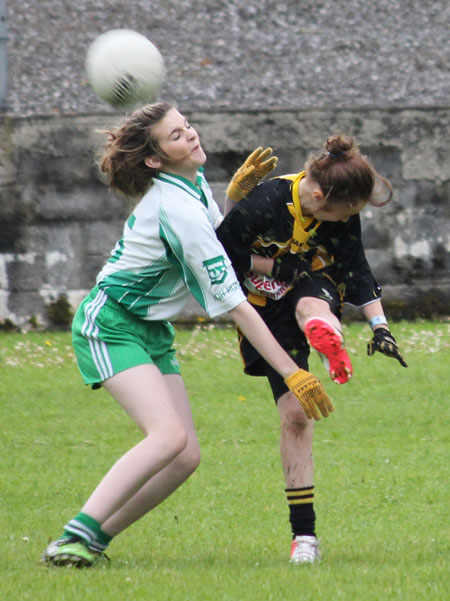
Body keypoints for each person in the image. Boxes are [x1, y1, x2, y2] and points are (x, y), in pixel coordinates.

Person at [41, 102, 334, 568]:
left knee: (184, 456)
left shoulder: (191, 183)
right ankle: (72, 535)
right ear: (155, 159)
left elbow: (220, 249)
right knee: (167, 436)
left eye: (188, 126)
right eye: (176, 136)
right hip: (111, 322)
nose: (192, 136)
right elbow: (235, 302)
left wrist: (235, 200)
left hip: (148, 328)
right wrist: (290, 372)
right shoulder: (176, 208)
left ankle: (93, 541)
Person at [216, 134, 407, 564]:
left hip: (308, 282)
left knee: (311, 299)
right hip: (262, 305)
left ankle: (325, 332)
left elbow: (354, 264)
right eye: (348, 211)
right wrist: (271, 263)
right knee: (296, 417)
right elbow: (218, 252)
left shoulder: (338, 209)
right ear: (320, 195)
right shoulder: (265, 202)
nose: (350, 218)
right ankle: (303, 537)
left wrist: (380, 325)